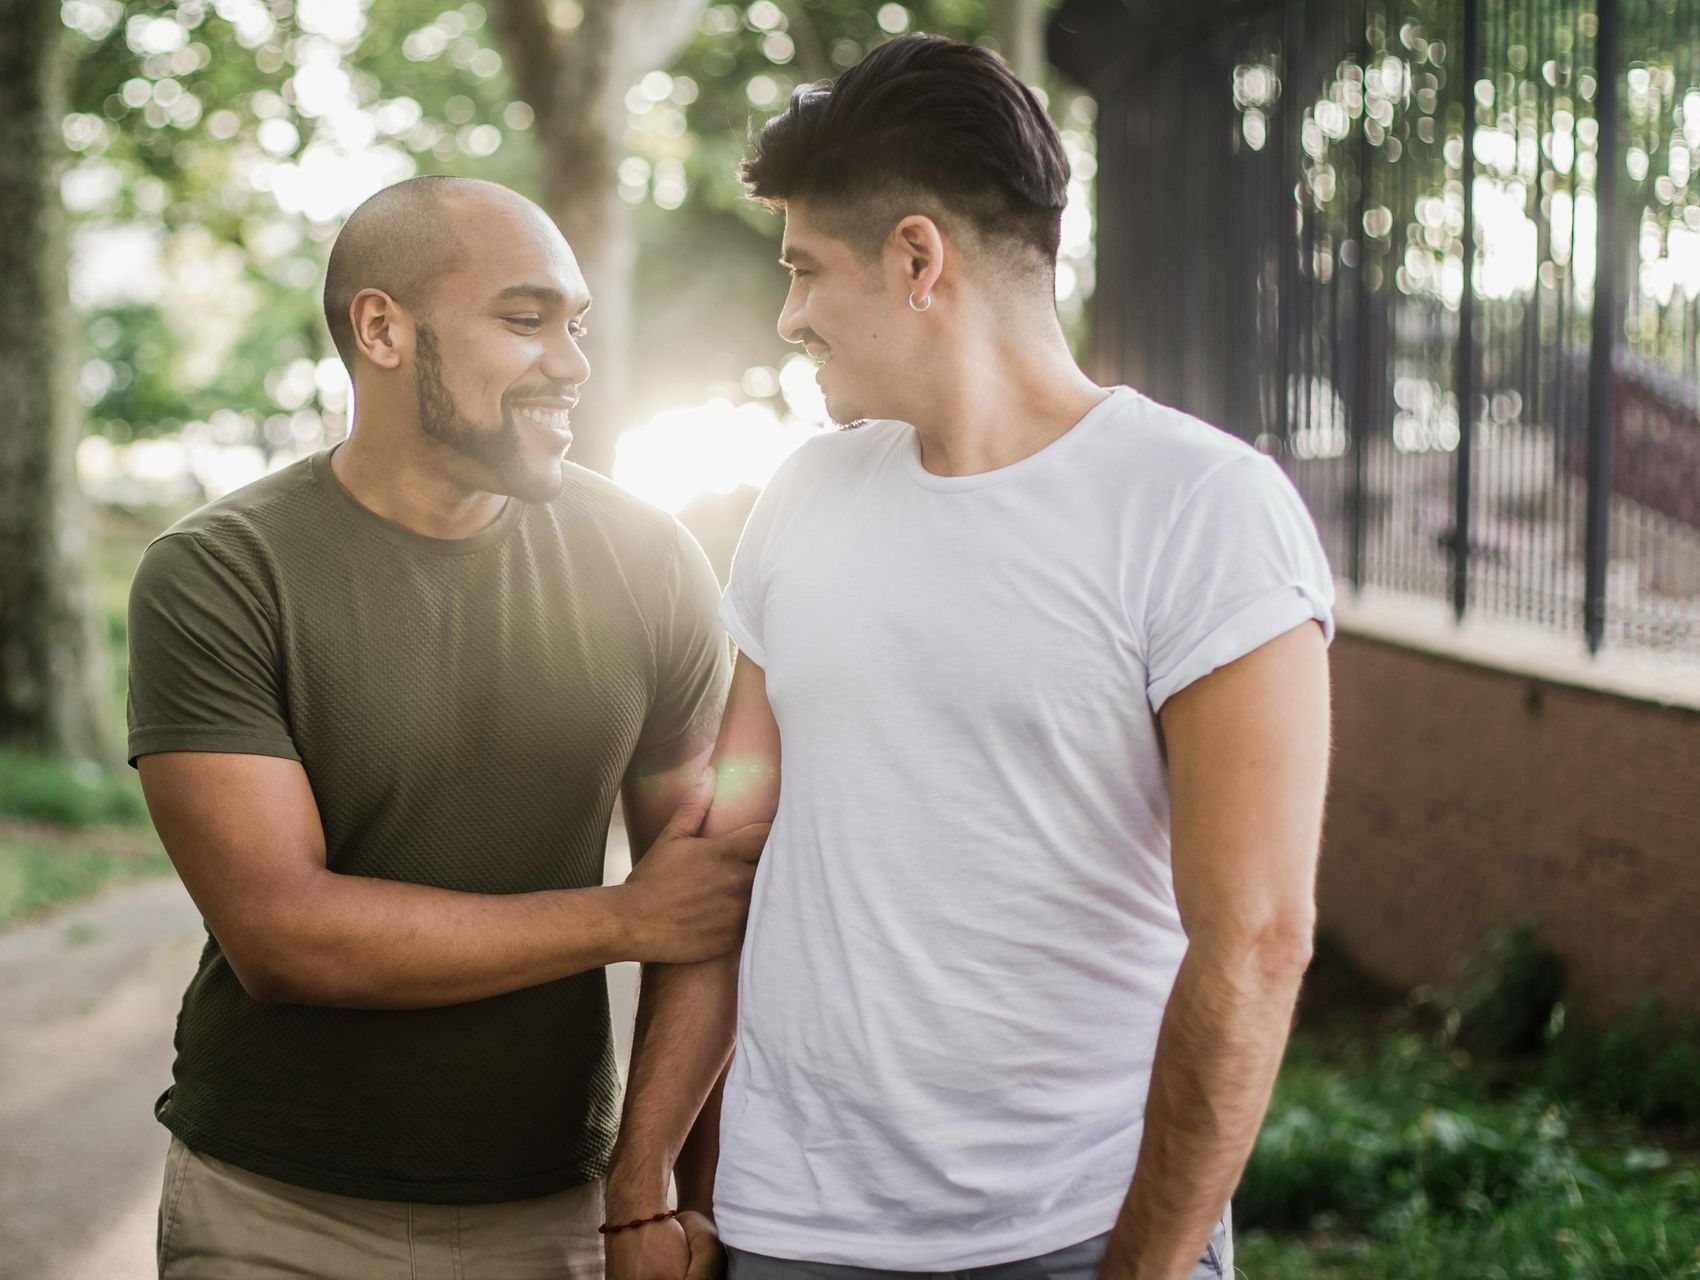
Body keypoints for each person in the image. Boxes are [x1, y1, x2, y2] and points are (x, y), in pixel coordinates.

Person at [602, 35, 1337, 1280]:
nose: (789, 318)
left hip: (1081, 1231)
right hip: (795, 1234)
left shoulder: (1202, 507)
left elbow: (1256, 937)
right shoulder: (804, 497)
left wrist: (1146, 1268)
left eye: (804, 272)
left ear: (915, 258)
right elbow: (729, 843)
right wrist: (639, 1185)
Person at [127, 175, 767, 1280]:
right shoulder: (219, 572)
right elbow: (284, 932)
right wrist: (620, 916)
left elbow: (706, 910)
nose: (569, 361)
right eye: (525, 321)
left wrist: (665, 1198)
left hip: (555, 1204)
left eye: (575, 326)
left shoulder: (649, 558)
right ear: (382, 327)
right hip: (274, 1210)